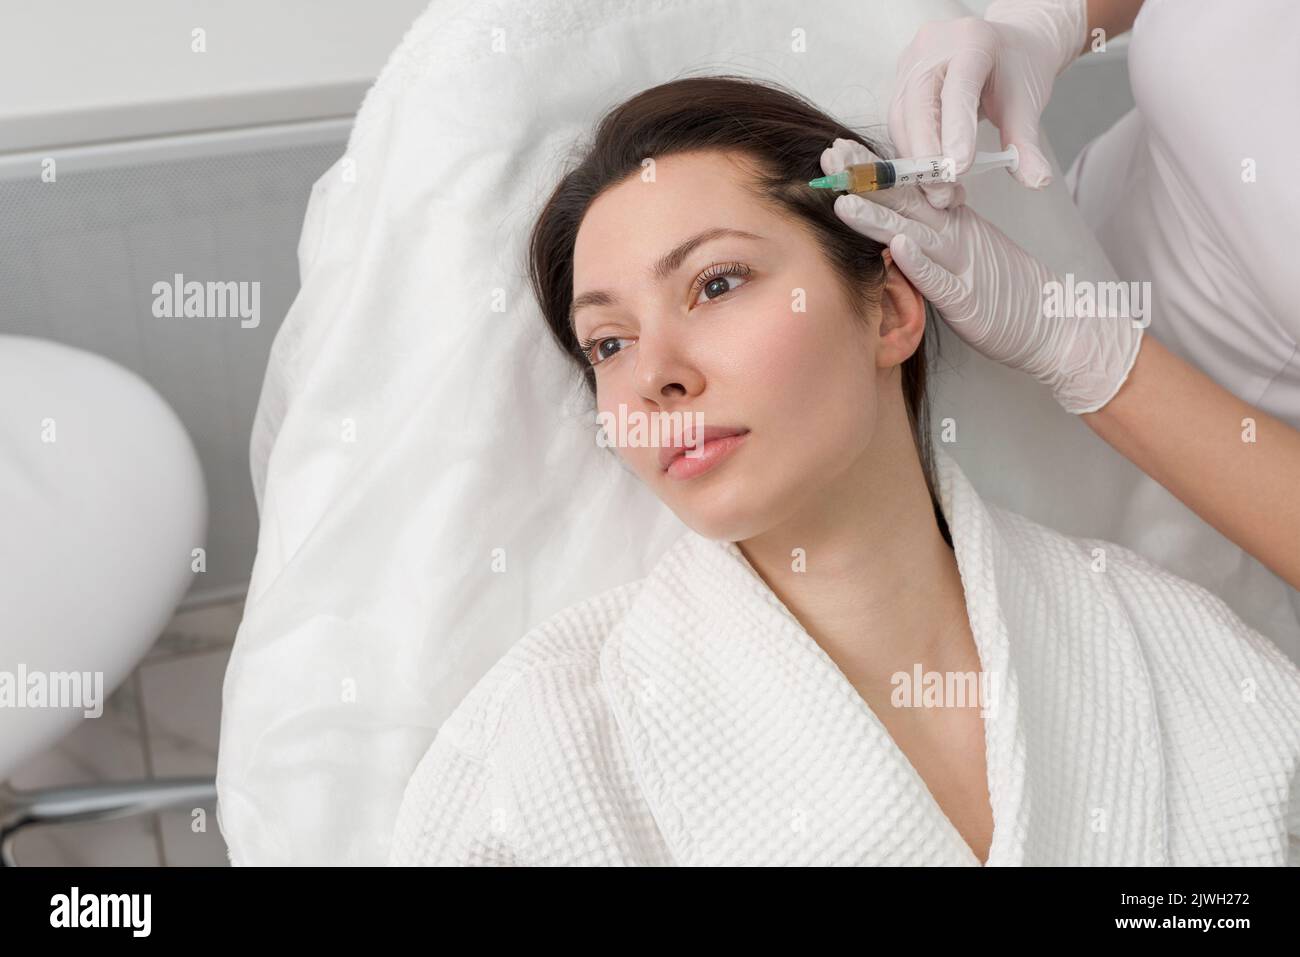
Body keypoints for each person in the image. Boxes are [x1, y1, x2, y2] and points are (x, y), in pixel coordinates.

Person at [387, 76, 1300, 867]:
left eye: (715, 283)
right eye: (609, 342)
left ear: (892, 309)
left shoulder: (1182, 659)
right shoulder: (541, 748)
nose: (654, 373)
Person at [865, 0, 1300, 593]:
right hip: (1049, 241)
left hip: (1197, 495)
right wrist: (1043, 24)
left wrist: (1084, 350)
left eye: (719, 282)